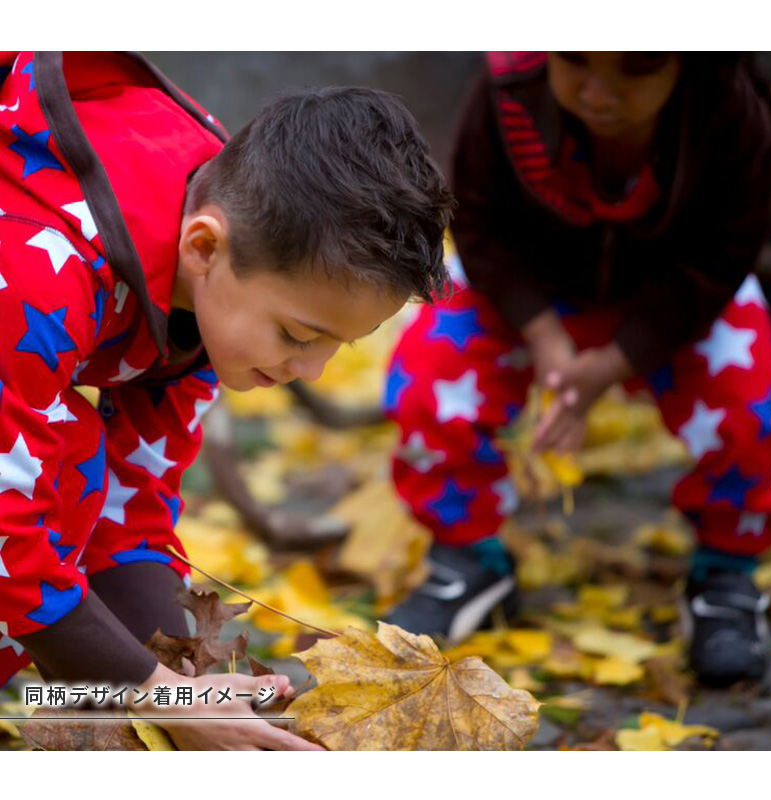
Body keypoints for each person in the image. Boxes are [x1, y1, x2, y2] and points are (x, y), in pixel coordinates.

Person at [0, 51, 452, 748]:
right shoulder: (39, 267)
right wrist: (164, 697)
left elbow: (133, 503)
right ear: (204, 246)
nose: (313, 369)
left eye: (339, 345)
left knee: (76, 464)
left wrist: (191, 684)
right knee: (45, 475)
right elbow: (7, 537)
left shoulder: (224, 256)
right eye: (299, 334)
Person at [383, 51, 771, 687]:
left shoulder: (728, 106)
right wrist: (544, 335)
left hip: (678, 296)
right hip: (527, 290)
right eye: (575, 62)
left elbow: (725, 248)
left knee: (752, 402)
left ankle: (727, 578)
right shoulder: (508, 92)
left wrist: (618, 360)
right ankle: (467, 561)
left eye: (636, 70)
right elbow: (480, 224)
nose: (599, 92)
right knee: (432, 371)